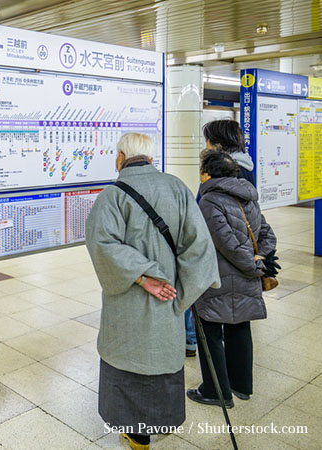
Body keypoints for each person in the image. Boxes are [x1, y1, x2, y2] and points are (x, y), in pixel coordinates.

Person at [85, 133, 220, 450]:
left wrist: (143, 278)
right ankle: (160, 422)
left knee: (127, 359)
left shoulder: (112, 196)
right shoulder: (177, 188)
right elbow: (200, 247)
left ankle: (135, 435)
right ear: (151, 158)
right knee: (160, 361)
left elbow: (102, 245)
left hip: (127, 301)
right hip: (169, 300)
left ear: (120, 158)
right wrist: (181, 293)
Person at [187, 149, 277, 408]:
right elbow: (268, 235)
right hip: (246, 278)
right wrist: (261, 261)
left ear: (207, 173)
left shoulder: (209, 200)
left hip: (220, 278)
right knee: (239, 327)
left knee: (211, 330)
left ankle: (216, 392)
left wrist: (251, 265)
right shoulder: (247, 196)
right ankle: (241, 385)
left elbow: (226, 244)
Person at [187, 119, 255, 356]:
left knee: (207, 305)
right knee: (235, 313)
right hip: (240, 244)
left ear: (217, 144)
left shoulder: (219, 171)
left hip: (219, 248)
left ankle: (193, 341)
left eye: (207, 140)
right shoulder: (247, 168)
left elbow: (203, 209)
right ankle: (239, 381)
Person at [202, 119, 255, 185]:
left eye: (207, 140)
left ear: (218, 144)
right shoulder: (246, 165)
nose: (206, 146)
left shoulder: (222, 170)